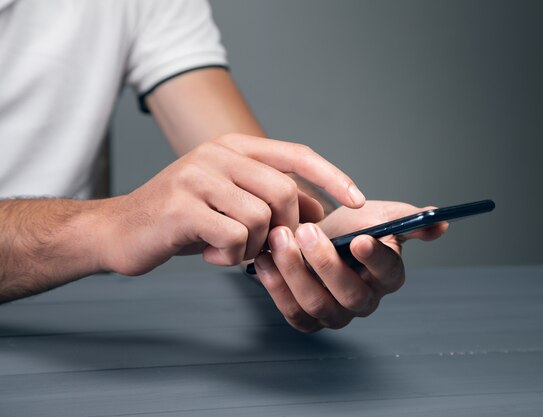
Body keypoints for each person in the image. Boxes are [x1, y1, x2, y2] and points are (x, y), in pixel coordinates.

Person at [0, 0, 446, 332]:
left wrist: (318, 235)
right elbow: (116, 225)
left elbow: (252, 182)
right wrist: (104, 227)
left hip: (74, 331)